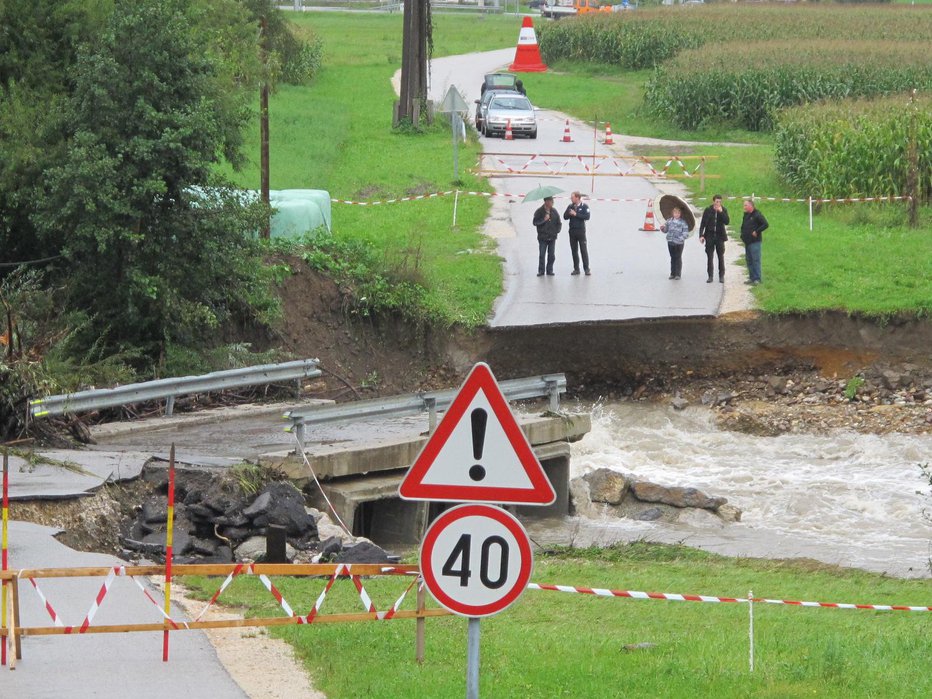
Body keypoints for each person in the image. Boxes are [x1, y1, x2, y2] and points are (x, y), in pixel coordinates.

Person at [698, 194, 729, 283]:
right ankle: (710, 276)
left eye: (720, 202)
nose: (718, 203)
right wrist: (701, 235)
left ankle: (721, 276)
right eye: (716, 202)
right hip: (710, 236)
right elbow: (703, 224)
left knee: (720, 256)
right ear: (713, 201)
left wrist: (721, 212)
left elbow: (727, 221)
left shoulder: (724, 210)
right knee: (710, 256)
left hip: (720, 236)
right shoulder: (708, 210)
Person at [740, 198, 768, 285]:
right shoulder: (746, 215)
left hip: (755, 242)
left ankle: (757, 279)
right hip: (747, 241)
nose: (744, 207)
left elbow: (765, 224)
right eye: (744, 205)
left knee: (755, 260)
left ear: (751, 206)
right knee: (749, 260)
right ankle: (751, 277)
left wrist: (757, 231)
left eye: (746, 205)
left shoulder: (757, 214)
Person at [563, 191, 591, 275]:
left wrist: (576, 214)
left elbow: (587, 217)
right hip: (572, 231)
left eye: (572, 197)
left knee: (583, 250)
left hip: (581, 231)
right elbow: (564, 217)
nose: (571, 199)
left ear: (577, 198)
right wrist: (569, 213)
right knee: (574, 251)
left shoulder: (584, 206)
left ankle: (586, 269)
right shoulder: (570, 206)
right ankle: (576, 269)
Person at [532, 195, 561, 276]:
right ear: (546, 202)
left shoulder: (554, 211)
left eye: (552, 201)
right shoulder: (539, 211)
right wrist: (544, 220)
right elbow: (535, 222)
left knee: (551, 255)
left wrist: (557, 231)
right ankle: (541, 270)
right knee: (542, 254)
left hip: (552, 237)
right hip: (542, 237)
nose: (553, 203)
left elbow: (559, 223)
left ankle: (550, 270)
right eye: (551, 201)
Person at [660, 206, 690, 280]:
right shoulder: (669, 221)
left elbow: (686, 233)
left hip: (679, 243)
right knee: (672, 257)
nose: (676, 214)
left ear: (680, 214)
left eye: (678, 213)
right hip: (670, 241)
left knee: (678, 257)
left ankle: (678, 274)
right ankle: (672, 273)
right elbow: (665, 230)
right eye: (675, 213)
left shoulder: (683, 222)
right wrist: (662, 228)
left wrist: (680, 239)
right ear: (673, 213)